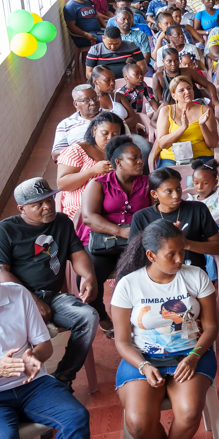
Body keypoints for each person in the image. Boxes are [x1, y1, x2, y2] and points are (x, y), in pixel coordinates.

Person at [111, 220, 218, 439]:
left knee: (190, 411)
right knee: (137, 423)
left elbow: (211, 327)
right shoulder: (128, 285)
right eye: (171, 254)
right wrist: (143, 366)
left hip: (191, 354)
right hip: (144, 358)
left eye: (181, 251)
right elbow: (122, 341)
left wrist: (195, 356)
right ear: (151, 255)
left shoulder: (196, 276)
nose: (180, 259)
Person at [0, 177, 101, 391]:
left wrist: (88, 276)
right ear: (22, 209)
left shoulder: (62, 222)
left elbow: (78, 254)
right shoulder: (6, 230)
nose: (47, 206)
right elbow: (2, 273)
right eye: (38, 204)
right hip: (19, 302)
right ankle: (19, 388)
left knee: (88, 316)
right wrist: (32, 300)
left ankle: (63, 377)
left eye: (49, 200)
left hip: (54, 298)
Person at [0, 278, 92, 439]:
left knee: (75, 417)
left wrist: (35, 356)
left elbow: (44, 345)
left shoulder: (17, 294)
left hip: (33, 384)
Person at [79, 137, 150, 336]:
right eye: (134, 158)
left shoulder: (147, 183)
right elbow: (88, 217)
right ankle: (102, 315)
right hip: (104, 244)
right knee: (88, 276)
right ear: (118, 162)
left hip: (136, 245)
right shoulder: (99, 184)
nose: (140, 162)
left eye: (140, 158)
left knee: (138, 276)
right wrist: (120, 231)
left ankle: (136, 320)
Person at [129, 168, 219, 281]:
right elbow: (134, 257)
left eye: (178, 188)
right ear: (154, 194)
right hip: (156, 278)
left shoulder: (197, 209)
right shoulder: (141, 217)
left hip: (192, 275)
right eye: (169, 191)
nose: (176, 195)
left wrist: (186, 243)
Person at [55, 112, 124, 224]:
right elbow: (62, 184)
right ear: (94, 130)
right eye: (105, 133)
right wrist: (92, 171)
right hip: (81, 211)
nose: (110, 138)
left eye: (115, 134)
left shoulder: (121, 152)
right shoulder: (76, 151)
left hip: (114, 208)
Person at [152, 77, 218, 167]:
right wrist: (183, 127)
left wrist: (202, 125)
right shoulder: (166, 111)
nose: (187, 92)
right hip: (171, 157)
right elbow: (163, 144)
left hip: (200, 155)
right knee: (167, 179)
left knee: (199, 178)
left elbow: (213, 144)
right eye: (181, 90)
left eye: (189, 88)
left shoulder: (206, 111)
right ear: (174, 96)